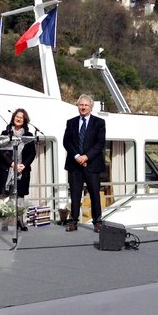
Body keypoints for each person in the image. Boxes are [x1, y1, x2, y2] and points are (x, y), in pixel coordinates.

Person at [63, 94, 106, 233]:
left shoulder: (99, 123)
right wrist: (77, 156)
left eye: (86, 105)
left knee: (94, 194)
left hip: (92, 164)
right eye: (81, 105)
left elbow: (100, 144)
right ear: (78, 106)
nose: (83, 107)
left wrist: (86, 157)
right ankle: (73, 221)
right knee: (75, 194)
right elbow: (66, 141)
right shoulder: (71, 122)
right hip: (74, 164)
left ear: (91, 107)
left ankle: (97, 222)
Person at [0, 108, 37, 231]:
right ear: (13, 118)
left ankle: (20, 221)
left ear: (25, 120)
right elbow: (1, 151)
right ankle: (5, 221)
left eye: (21, 117)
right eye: (17, 116)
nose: (18, 119)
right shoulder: (6, 132)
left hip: (22, 170)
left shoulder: (28, 136)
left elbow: (32, 153)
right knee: (6, 196)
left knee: (20, 197)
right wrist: (13, 164)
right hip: (7, 169)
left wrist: (23, 165)